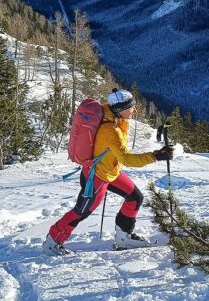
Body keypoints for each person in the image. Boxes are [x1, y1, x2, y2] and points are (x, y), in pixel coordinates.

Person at [44, 89, 173, 254]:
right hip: (96, 177)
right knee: (81, 211)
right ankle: (53, 241)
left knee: (135, 198)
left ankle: (123, 237)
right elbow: (126, 159)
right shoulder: (111, 131)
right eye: (131, 108)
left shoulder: (111, 113)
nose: (134, 110)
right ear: (120, 110)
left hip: (110, 171)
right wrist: (156, 156)